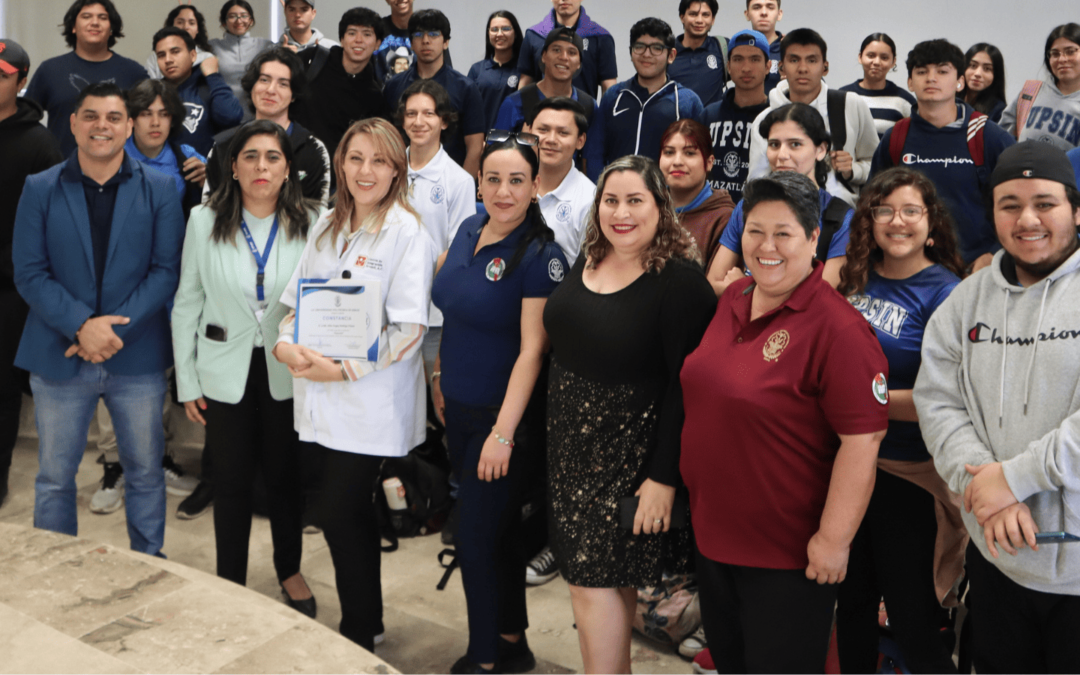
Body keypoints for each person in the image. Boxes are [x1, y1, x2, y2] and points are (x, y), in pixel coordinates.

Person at [681, 170, 888, 673]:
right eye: (754, 231)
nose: (765, 246)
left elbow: (863, 441)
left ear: (814, 238)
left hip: (786, 553)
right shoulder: (732, 298)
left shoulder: (839, 330)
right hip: (714, 536)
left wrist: (834, 540)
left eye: (783, 234)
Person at [544, 154, 715, 673]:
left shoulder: (679, 282)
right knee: (601, 585)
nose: (621, 212)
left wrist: (663, 478)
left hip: (625, 462)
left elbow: (689, 388)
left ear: (660, 208)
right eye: (610, 200)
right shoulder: (590, 256)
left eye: (635, 200)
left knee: (589, 588)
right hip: (570, 456)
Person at [914, 141, 1080, 673]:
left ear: (1076, 211)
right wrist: (987, 490)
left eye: (1044, 203)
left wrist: (1015, 478)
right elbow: (939, 402)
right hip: (997, 560)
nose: (1027, 219)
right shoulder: (967, 300)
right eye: (1009, 204)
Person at [273, 117, 432, 651]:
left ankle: (358, 631)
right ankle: (367, 621)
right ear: (339, 163)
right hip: (317, 396)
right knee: (347, 515)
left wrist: (341, 370)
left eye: (380, 161)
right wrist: (283, 344)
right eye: (356, 157)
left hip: (367, 401)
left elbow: (408, 328)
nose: (366, 170)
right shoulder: (325, 225)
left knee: (338, 512)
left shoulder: (406, 231)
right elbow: (297, 304)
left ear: (396, 170)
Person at [12, 81, 185, 556]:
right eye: (90, 116)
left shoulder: (161, 188)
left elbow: (165, 271)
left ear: (129, 126)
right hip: (59, 352)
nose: (101, 126)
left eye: (112, 117)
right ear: (73, 122)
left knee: (146, 472)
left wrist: (106, 329)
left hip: (137, 355)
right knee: (53, 478)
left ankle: (149, 560)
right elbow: (29, 272)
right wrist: (81, 325)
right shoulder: (41, 188)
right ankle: (54, 567)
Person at [430, 130, 565, 674]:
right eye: (492, 179)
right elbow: (454, 312)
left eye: (516, 180)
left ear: (536, 186)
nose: (503, 191)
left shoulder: (541, 256)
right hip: (457, 410)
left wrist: (503, 434)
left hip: (500, 423)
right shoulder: (467, 229)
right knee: (498, 535)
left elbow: (534, 351)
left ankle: (485, 658)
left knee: (476, 539)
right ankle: (513, 640)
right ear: (478, 182)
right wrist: (440, 374)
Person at [173, 119, 319, 616]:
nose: (262, 166)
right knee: (231, 481)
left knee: (284, 477)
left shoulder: (313, 222)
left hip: (287, 370)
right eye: (250, 157)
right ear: (232, 167)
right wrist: (187, 380)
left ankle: (290, 569)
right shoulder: (203, 220)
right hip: (223, 369)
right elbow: (186, 303)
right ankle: (229, 577)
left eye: (272, 157)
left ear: (288, 168)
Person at [834, 167, 965, 675]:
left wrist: (858, 401)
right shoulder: (855, 276)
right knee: (852, 607)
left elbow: (945, 396)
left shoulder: (946, 292)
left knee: (913, 621)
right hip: (846, 466)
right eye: (884, 209)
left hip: (905, 474)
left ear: (931, 224)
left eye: (911, 211)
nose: (897, 221)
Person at [870, 39, 1015, 272]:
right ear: (910, 82)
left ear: (959, 82)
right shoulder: (896, 137)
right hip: (909, 270)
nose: (931, 78)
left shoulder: (988, 136)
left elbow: (1018, 201)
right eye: (922, 71)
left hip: (974, 270)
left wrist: (995, 253)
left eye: (942, 71)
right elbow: (872, 204)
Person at [0, 39, 63, 509]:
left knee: (2, 388)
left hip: (8, 286)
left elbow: (51, 223)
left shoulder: (39, 142)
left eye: (2, 75)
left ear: (21, 82)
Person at [709, 103, 855, 294]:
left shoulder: (840, 218)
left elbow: (820, 302)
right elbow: (712, 284)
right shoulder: (747, 207)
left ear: (820, 150)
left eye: (795, 144)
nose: (782, 155)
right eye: (774, 145)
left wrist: (743, 287)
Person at [397, 79, 476, 379]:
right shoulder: (386, 171)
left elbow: (459, 254)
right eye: (411, 113)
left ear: (443, 120)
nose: (419, 122)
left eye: (428, 114)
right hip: (388, 310)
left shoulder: (459, 181)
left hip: (434, 316)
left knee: (437, 403)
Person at [747, 28, 878, 208]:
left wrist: (853, 170)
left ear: (825, 67)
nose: (802, 68)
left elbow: (877, 165)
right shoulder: (765, 120)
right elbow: (757, 182)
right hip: (783, 216)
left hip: (842, 221)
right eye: (794, 60)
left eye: (812, 60)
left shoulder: (850, 105)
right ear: (782, 67)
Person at [205, 48, 331, 208]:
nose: (271, 90)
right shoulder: (224, 145)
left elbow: (317, 219)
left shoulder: (312, 149)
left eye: (283, 84)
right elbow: (208, 214)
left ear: (293, 95)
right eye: (264, 80)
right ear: (252, 86)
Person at [24, 0, 147, 155]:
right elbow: (25, 122)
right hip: (60, 169)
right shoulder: (50, 70)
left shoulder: (134, 72)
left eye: (102, 17)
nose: (95, 22)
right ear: (74, 27)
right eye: (86, 16)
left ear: (111, 29)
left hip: (119, 171)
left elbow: (150, 123)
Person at [588, 18, 705, 181]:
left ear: (671, 55)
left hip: (665, 200)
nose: (646, 54)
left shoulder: (687, 102)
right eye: (639, 47)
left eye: (656, 48)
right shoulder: (614, 96)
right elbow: (594, 152)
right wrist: (601, 192)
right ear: (631, 52)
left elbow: (698, 158)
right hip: (617, 195)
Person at [383, 9, 485, 177]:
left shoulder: (466, 88)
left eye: (433, 34)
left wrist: (461, 187)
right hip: (401, 182)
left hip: (450, 183)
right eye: (418, 35)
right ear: (411, 43)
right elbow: (385, 140)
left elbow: (475, 148)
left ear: (446, 42)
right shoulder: (393, 86)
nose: (426, 41)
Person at [290, 7, 391, 168]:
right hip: (294, 164)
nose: (358, 40)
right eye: (352, 33)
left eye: (367, 34)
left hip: (338, 177)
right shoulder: (310, 61)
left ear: (378, 44)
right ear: (342, 39)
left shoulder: (373, 95)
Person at [524, 97, 596, 267]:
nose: (551, 139)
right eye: (543, 130)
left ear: (580, 141)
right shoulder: (512, 184)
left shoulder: (592, 200)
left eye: (563, 133)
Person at [494, 27, 597, 146]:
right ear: (543, 56)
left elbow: (591, 158)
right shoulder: (516, 103)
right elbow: (494, 154)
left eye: (572, 52)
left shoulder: (588, 106)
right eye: (556, 50)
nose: (564, 57)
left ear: (579, 63)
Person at [154, 26, 244, 156]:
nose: (168, 60)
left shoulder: (208, 87)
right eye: (161, 55)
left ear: (192, 55)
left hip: (203, 172)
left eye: (175, 52)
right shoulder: (155, 93)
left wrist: (213, 75)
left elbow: (231, 117)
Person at [704, 29, 771, 204]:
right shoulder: (708, 115)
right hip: (711, 214)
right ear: (728, 67)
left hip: (759, 214)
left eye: (755, 59)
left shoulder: (777, 118)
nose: (746, 68)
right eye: (738, 59)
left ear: (768, 66)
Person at [126, 79, 205, 220]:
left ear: (173, 120)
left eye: (164, 114)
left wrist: (208, 183)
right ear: (131, 119)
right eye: (146, 114)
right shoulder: (114, 155)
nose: (155, 123)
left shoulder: (186, 157)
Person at [660, 118, 734, 265]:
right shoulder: (648, 207)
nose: (677, 162)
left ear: (709, 162)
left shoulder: (725, 218)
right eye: (669, 152)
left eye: (689, 153)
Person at [1000, 24, 1080, 151]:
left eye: (1070, 52)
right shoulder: (1031, 91)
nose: (1062, 59)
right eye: (1055, 54)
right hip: (1022, 169)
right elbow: (1002, 138)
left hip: (1067, 171)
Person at [517, 0, 617, 99]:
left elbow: (609, 87)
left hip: (584, 113)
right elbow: (524, 84)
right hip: (540, 112)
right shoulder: (534, 36)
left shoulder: (600, 38)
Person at [840, 33, 916, 138]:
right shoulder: (842, 96)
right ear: (860, 57)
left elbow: (919, 138)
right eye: (871, 56)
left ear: (893, 62)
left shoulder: (904, 100)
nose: (876, 62)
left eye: (884, 58)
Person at [469, 11, 524, 135]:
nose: (499, 34)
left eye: (505, 29)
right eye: (494, 29)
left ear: (515, 33)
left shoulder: (524, 71)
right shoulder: (477, 70)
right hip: (481, 144)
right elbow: (468, 111)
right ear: (488, 33)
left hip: (513, 146)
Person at [209, 0, 274, 103]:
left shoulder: (265, 45)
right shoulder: (213, 46)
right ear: (224, 22)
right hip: (224, 109)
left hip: (257, 109)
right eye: (232, 16)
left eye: (244, 16)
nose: (239, 21)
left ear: (251, 20)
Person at [669, 0, 727, 107]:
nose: (699, 20)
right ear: (682, 17)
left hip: (711, 122)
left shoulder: (723, 47)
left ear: (713, 19)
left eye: (705, 15)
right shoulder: (667, 52)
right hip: (675, 121)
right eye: (693, 14)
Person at [145, 4, 213, 79]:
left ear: (197, 30)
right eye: (180, 22)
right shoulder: (154, 59)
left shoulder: (206, 58)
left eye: (191, 23)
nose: (186, 27)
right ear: (171, 26)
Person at [744, 0, 782, 94]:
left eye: (770, 7)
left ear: (779, 14)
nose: (764, 13)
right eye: (757, 7)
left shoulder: (791, 50)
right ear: (747, 14)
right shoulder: (738, 50)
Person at [963, 43, 1007, 123]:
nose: (978, 73)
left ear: (996, 75)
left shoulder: (998, 111)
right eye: (973, 66)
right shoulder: (950, 99)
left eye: (987, 69)